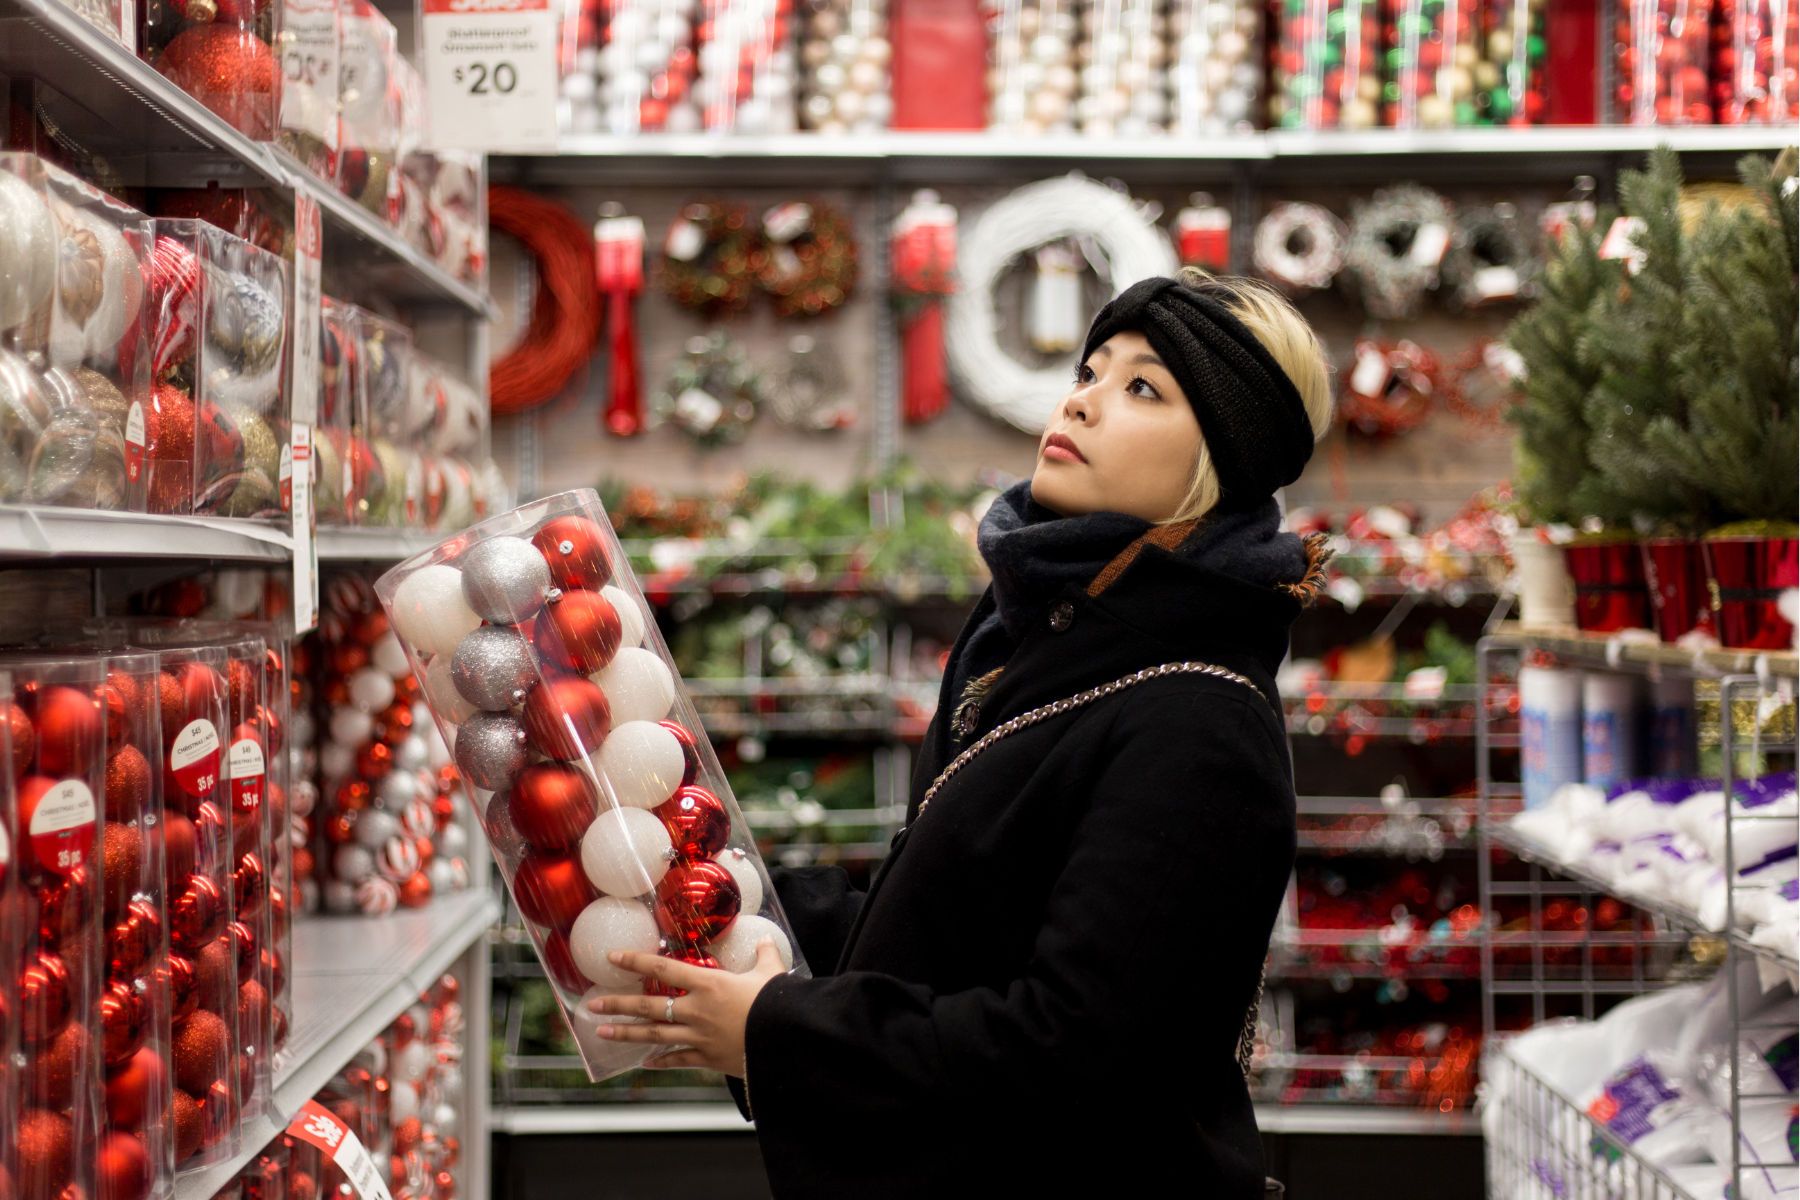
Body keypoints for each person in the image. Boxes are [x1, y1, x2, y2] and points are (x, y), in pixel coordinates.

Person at [588, 269, 1336, 1197]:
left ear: (1223, 457)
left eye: (1144, 387)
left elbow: (1079, 1055)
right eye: (1091, 371)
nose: (1083, 401)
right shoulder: (1039, 639)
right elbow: (957, 932)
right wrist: (735, 905)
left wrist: (778, 1032)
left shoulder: (1198, 721)